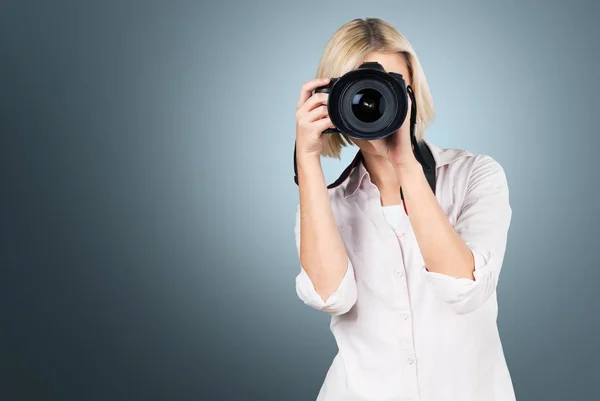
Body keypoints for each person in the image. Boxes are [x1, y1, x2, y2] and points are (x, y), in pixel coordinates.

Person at [293, 18, 516, 401]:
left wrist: (405, 164)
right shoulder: (324, 205)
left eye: (393, 86)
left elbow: (465, 289)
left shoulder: (475, 176)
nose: (375, 99)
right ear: (332, 100)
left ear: (414, 92)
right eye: (359, 88)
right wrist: (308, 160)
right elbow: (331, 296)